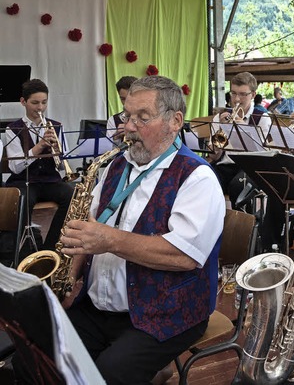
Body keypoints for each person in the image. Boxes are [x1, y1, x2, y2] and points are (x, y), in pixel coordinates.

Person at [54, 75, 225, 384]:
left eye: (142, 118)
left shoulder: (197, 177)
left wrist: (109, 240)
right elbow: (84, 231)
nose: (129, 127)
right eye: (127, 115)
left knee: (108, 375)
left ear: (175, 121)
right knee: (41, 357)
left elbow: (184, 256)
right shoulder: (114, 166)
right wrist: (68, 279)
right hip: (96, 306)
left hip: (166, 314)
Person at [4, 79, 75, 251]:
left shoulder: (56, 126)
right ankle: (23, 251)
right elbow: (15, 167)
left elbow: (61, 166)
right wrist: (39, 147)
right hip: (24, 181)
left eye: (44, 102)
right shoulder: (13, 129)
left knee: (72, 194)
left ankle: (50, 248)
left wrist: (58, 152)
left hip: (50, 181)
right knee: (23, 199)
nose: (40, 108)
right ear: (23, 102)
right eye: (35, 103)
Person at [209, 72, 270, 204]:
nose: (236, 99)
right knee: (202, 180)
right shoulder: (220, 117)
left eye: (242, 94)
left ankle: (243, 223)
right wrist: (221, 129)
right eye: (233, 93)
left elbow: (265, 156)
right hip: (224, 165)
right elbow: (214, 156)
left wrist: (246, 131)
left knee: (238, 186)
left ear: (253, 95)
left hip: (250, 168)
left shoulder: (262, 118)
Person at [106, 76, 138, 143]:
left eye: (131, 98)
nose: (126, 103)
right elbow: (107, 151)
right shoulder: (113, 120)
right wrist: (116, 137)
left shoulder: (149, 118)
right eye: (123, 99)